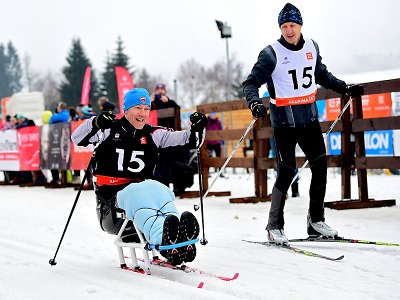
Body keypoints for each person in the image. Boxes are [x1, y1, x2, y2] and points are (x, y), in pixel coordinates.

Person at [242, 3, 365, 245]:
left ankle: (315, 222)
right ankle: (274, 225)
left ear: (300, 25)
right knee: (287, 171)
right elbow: (250, 83)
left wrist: (345, 87)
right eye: (285, 26)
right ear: (280, 28)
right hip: (284, 125)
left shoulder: (311, 46)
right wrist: (255, 103)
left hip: (309, 122)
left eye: (293, 25)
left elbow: (322, 74)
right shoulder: (271, 53)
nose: (289, 30)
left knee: (321, 166)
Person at [71, 88, 208, 265]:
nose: (142, 114)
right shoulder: (108, 130)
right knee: (139, 190)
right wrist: (95, 122)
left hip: (143, 196)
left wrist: (199, 128)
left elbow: (191, 141)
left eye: (146, 109)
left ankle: (178, 236)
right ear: (126, 110)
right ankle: (163, 239)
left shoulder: (154, 134)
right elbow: (77, 138)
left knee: (160, 190)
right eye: (138, 108)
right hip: (112, 207)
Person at [206, 112, 225, 177]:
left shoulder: (218, 122)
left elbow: (221, 131)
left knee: (219, 157)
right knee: (208, 158)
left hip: (217, 143)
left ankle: (220, 172)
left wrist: (222, 140)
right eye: (213, 114)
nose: (214, 116)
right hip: (208, 143)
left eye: (215, 114)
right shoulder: (206, 122)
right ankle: (207, 172)